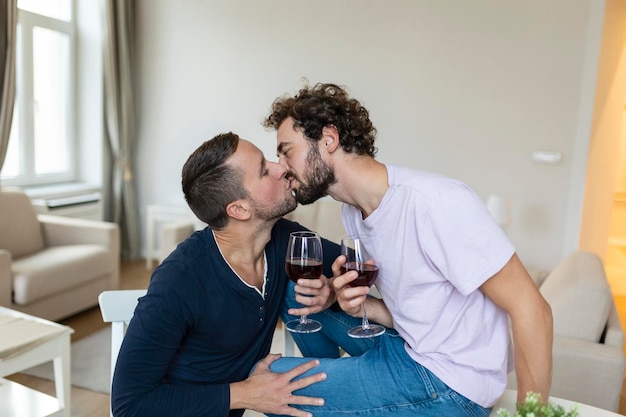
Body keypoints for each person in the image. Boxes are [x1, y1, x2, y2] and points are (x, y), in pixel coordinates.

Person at [263, 82, 554, 413]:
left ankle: (334, 400)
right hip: (409, 348)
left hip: (450, 382)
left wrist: (534, 414)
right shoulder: (354, 212)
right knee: (293, 290)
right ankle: (337, 401)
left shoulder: (436, 203)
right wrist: (343, 300)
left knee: (272, 383)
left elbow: (534, 310)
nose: (282, 168)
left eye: (286, 151)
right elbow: (417, 312)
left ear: (328, 139)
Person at [111, 132, 361, 417]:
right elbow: (128, 405)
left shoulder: (284, 241)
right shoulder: (179, 281)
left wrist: (330, 287)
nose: (282, 167)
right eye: (265, 171)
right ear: (239, 209)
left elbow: (356, 262)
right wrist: (244, 394)